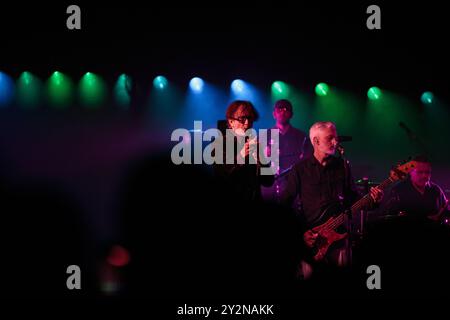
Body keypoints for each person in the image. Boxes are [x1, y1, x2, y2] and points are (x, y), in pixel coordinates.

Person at [280, 121, 383, 279]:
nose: (335, 142)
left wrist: (373, 200)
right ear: (316, 141)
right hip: (312, 240)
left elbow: (352, 198)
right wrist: (301, 233)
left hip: (339, 237)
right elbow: (285, 205)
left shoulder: (342, 166)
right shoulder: (300, 169)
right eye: (330, 138)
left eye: (336, 138)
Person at [214, 100, 274, 202]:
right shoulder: (220, 143)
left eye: (250, 119)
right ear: (231, 122)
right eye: (242, 119)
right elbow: (222, 175)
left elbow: (268, 181)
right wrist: (240, 156)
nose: (247, 123)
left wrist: (261, 158)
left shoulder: (253, 143)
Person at [262, 99, 311, 203]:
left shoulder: (300, 136)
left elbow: (306, 162)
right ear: (274, 113)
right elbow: (261, 166)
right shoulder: (265, 135)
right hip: (271, 186)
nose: (283, 112)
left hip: (294, 185)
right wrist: (264, 156)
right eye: (279, 109)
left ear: (291, 114)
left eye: (286, 109)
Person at [381, 155, 449, 222]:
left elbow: (446, 212)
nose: (424, 176)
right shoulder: (398, 191)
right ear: (410, 172)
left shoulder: (436, 190)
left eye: (427, 172)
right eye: (420, 172)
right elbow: (389, 219)